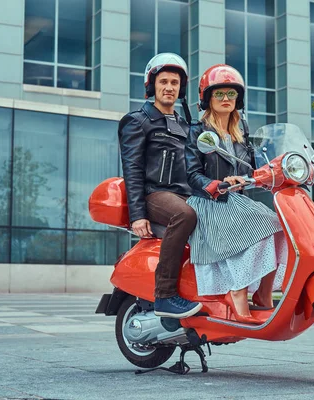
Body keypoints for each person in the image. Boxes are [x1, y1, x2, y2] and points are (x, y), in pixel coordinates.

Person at [185, 64, 287, 324]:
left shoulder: (241, 135)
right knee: (263, 226)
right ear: (207, 98)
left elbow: (255, 168)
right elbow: (191, 173)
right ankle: (237, 292)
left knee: (280, 227)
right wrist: (214, 184)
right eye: (219, 94)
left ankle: (264, 294)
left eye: (231, 94)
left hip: (236, 202)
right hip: (210, 201)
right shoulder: (198, 132)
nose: (226, 99)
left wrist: (284, 170)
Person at [118, 53, 202, 318]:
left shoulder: (187, 126)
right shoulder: (138, 121)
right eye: (163, 81)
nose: (169, 87)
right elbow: (132, 169)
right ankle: (165, 295)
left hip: (185, 194)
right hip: (156, 194)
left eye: (174, 82)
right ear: (152, 85)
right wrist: (138, 215)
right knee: (184, 214)